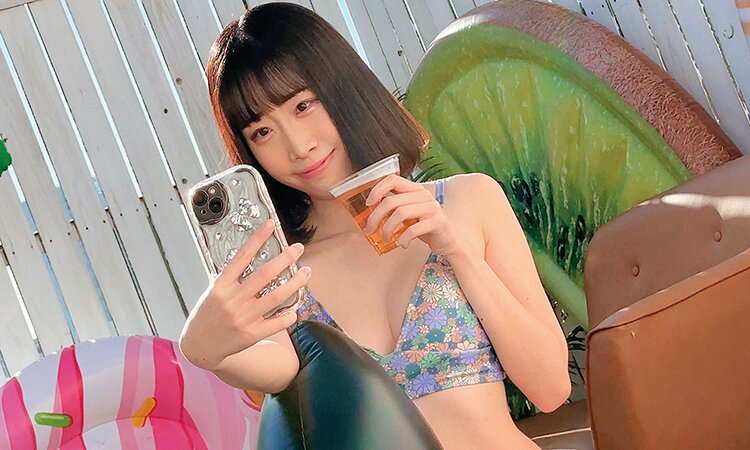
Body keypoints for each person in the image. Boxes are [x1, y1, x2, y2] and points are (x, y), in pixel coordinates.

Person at [179, 3, 570, 449]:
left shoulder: (468, 200)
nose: (299, 146)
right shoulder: (285, 274)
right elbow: (279, 369)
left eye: (303, 105)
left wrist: (456, 249)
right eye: (262, 132)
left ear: (342, 88)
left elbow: (551, 388)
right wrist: (205, 351)